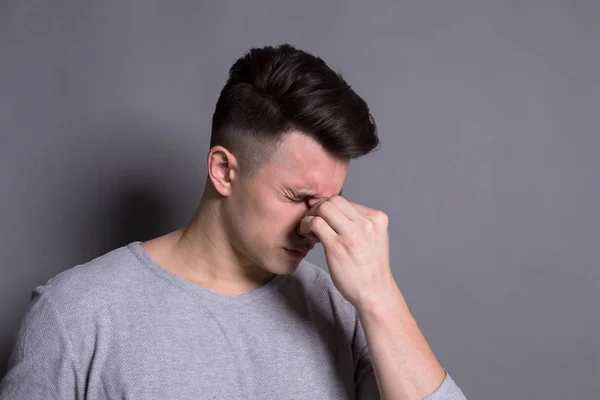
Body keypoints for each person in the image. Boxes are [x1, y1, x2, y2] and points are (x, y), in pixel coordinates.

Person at [0, 44, 466, 399]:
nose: (316, 225)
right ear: (224, 170)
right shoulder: (77, 314)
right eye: (299, 197)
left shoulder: (339, 304)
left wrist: (379, 295)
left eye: (331, 200)